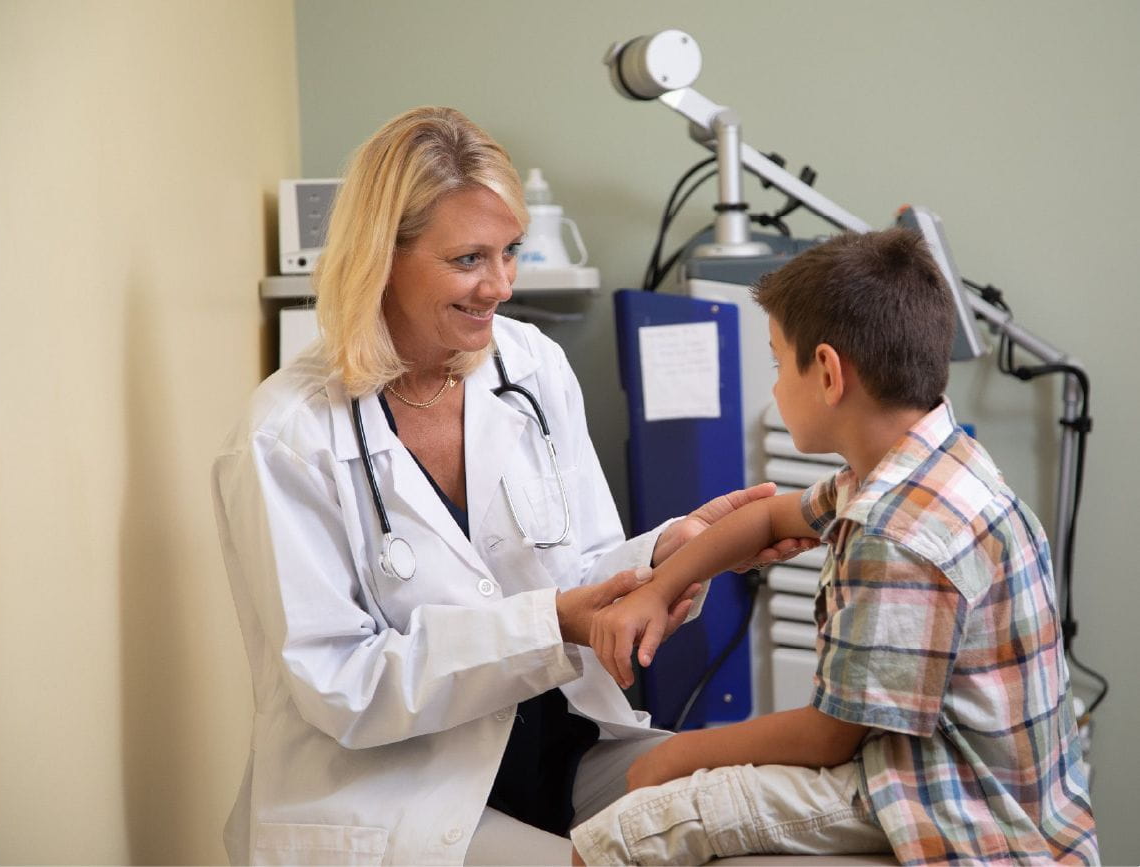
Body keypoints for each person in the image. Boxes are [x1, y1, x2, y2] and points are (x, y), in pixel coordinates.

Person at [211, 106, 809, 867]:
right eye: (467, 259)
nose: (499, 285)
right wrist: (551, 622)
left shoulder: (527, 364)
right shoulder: (284, 436)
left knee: (759, 821)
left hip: (560, 750)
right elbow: (343, 686)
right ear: (378, 257)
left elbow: (582, 564)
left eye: (511, 251)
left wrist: (668, 551)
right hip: (399, 790)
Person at [571, 228, 1099, 866]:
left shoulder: (893, 531)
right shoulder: (934, 462)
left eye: (775, 363)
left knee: (627, 832)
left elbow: (829, 737)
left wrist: (676, 754)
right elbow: (767, 518)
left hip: (950, 804)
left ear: (826, 372)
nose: (772, 388)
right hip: (1008, 795)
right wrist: (656, 589)